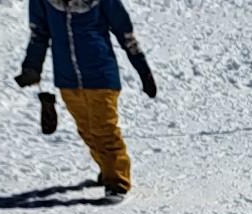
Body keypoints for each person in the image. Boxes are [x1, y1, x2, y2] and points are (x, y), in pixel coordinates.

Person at [15, 0, 156, 203]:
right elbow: (39, 34)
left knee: (104, 130)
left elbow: (125, 33)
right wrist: (32, 67)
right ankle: (107, 169)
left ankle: (117, 182)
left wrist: (143, 70)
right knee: (87, 131)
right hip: (67, 79)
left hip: (101, 75)